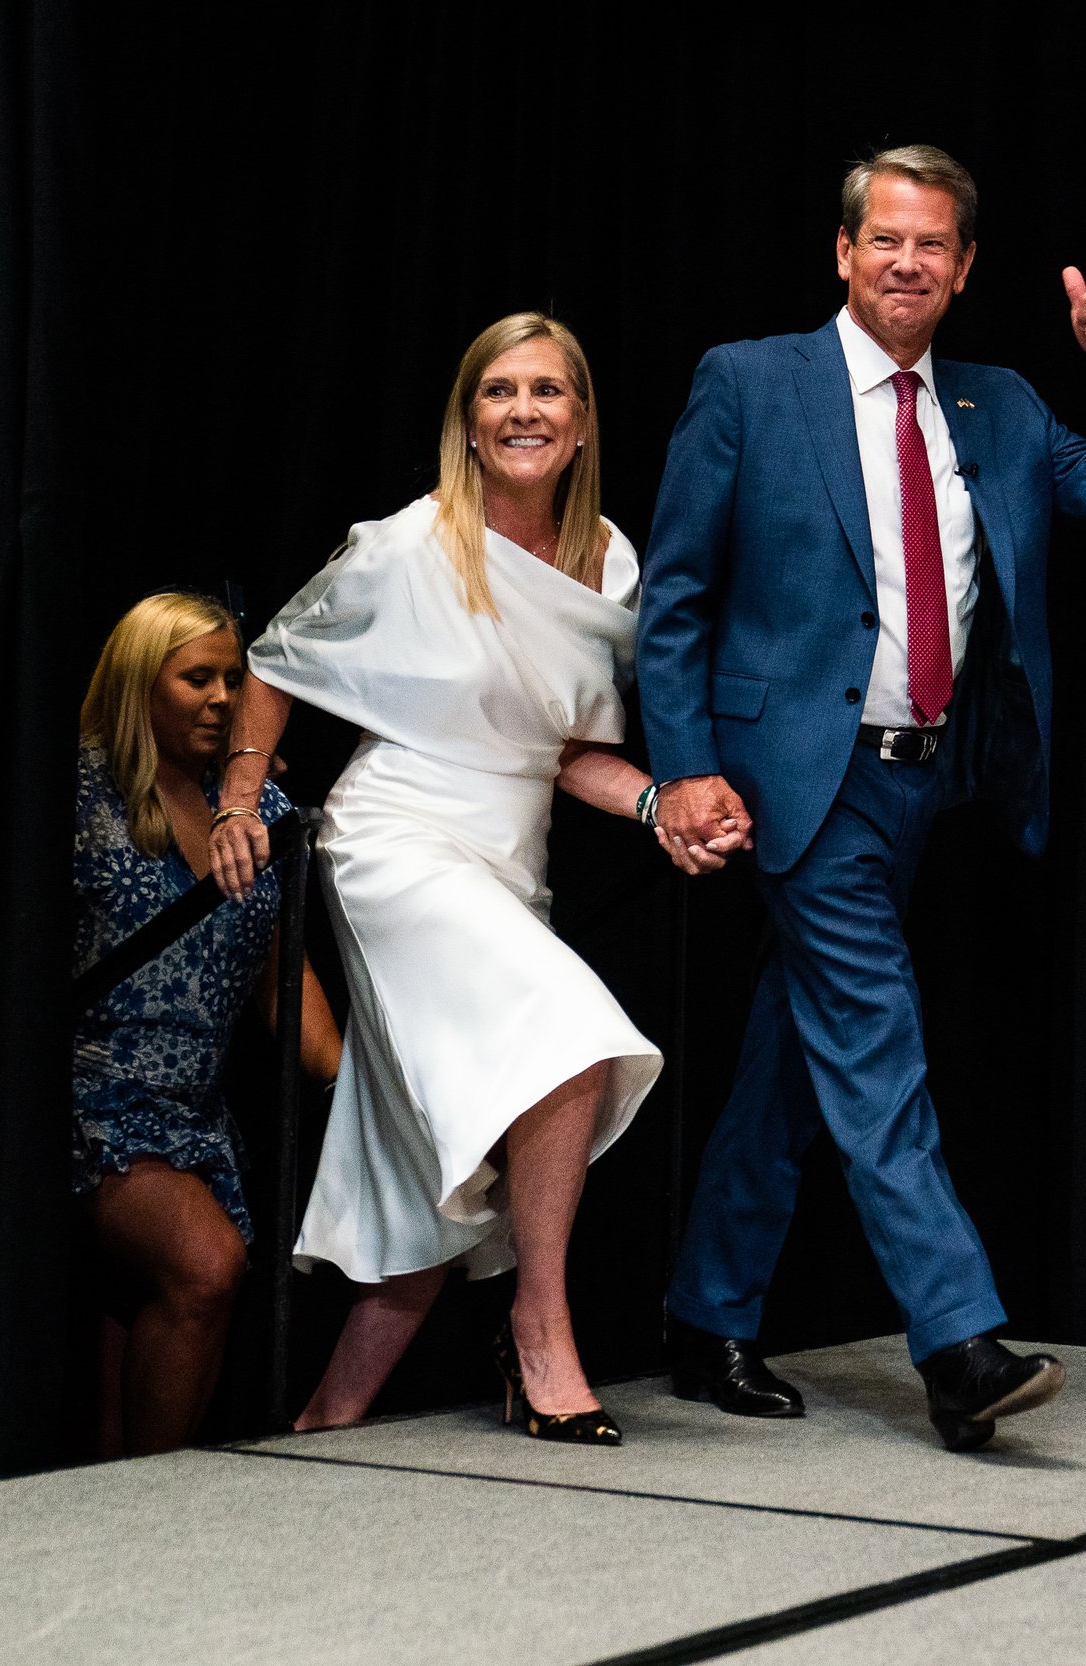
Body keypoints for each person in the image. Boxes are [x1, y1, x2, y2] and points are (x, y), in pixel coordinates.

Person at [640, 144, 1086, 1451]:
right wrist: (685, 763)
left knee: (799, 1049)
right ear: (842, 250)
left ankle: (706, 1311)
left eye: (932, 245)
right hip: (794, 776)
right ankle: (957, 1341)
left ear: (966, 267)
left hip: (924, 785)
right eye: (885, 238)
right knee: (876, 1044)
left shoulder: (994, 403)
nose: (906, 263)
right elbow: (676, 600)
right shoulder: (751, 382)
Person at [211, 313, 737, 1445]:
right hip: (395, 837)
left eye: (547, 391)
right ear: (469, 419)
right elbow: (275, 660)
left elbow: (569, 749)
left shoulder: (610, 557)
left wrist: (658, 802)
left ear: (582, 416)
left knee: (426, 1178)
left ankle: (322, 1426)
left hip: (511, 860)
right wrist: (239, 797)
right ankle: (540, 1327)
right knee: (574, 1038)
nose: (523, 411)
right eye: (498, 392)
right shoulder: (412, 541)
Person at [74, 591, 343, 1457]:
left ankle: (117, 1522)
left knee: (163, 1312)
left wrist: (361, 1085)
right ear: (137, 683)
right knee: (206, 1264)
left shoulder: (256, 814)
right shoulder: (84, 792)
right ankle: (158, 1508)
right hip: (93, 1102)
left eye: (234, 679)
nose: (225, 698)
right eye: (198, 678)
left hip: (198, 1123)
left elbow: (280, 980)